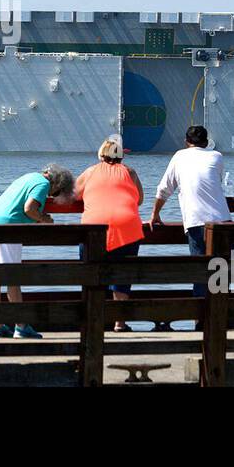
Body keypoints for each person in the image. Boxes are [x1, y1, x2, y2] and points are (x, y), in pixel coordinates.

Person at [0, 163, 74, 339]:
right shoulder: (43, 184)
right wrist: (43, 219)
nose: (50, 196)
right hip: (7, 229)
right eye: (54, 194)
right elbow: (29, 208)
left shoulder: (28, 177)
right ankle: (21, 326)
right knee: (13, 278)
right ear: (57, 184)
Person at [74, 137, 145, 332]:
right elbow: (139, 199)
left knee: (92, 272)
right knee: (122, 274)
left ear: (100, 155)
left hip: (94, 228)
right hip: (127, 226)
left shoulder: (90, 172)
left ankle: (93, 319)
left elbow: (75, 194)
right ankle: (119, 322)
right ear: (121, 156)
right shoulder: (130, 172)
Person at [151, 125, 232, 275]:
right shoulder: (217, 156)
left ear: (186, 141)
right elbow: (217, 182)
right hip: (223, 220)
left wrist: (155, 214)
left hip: (197, 222)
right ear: (207, 142)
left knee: (200, 273)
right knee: (222, 274)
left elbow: (164, 189)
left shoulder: (179, 156)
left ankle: (201, 296)